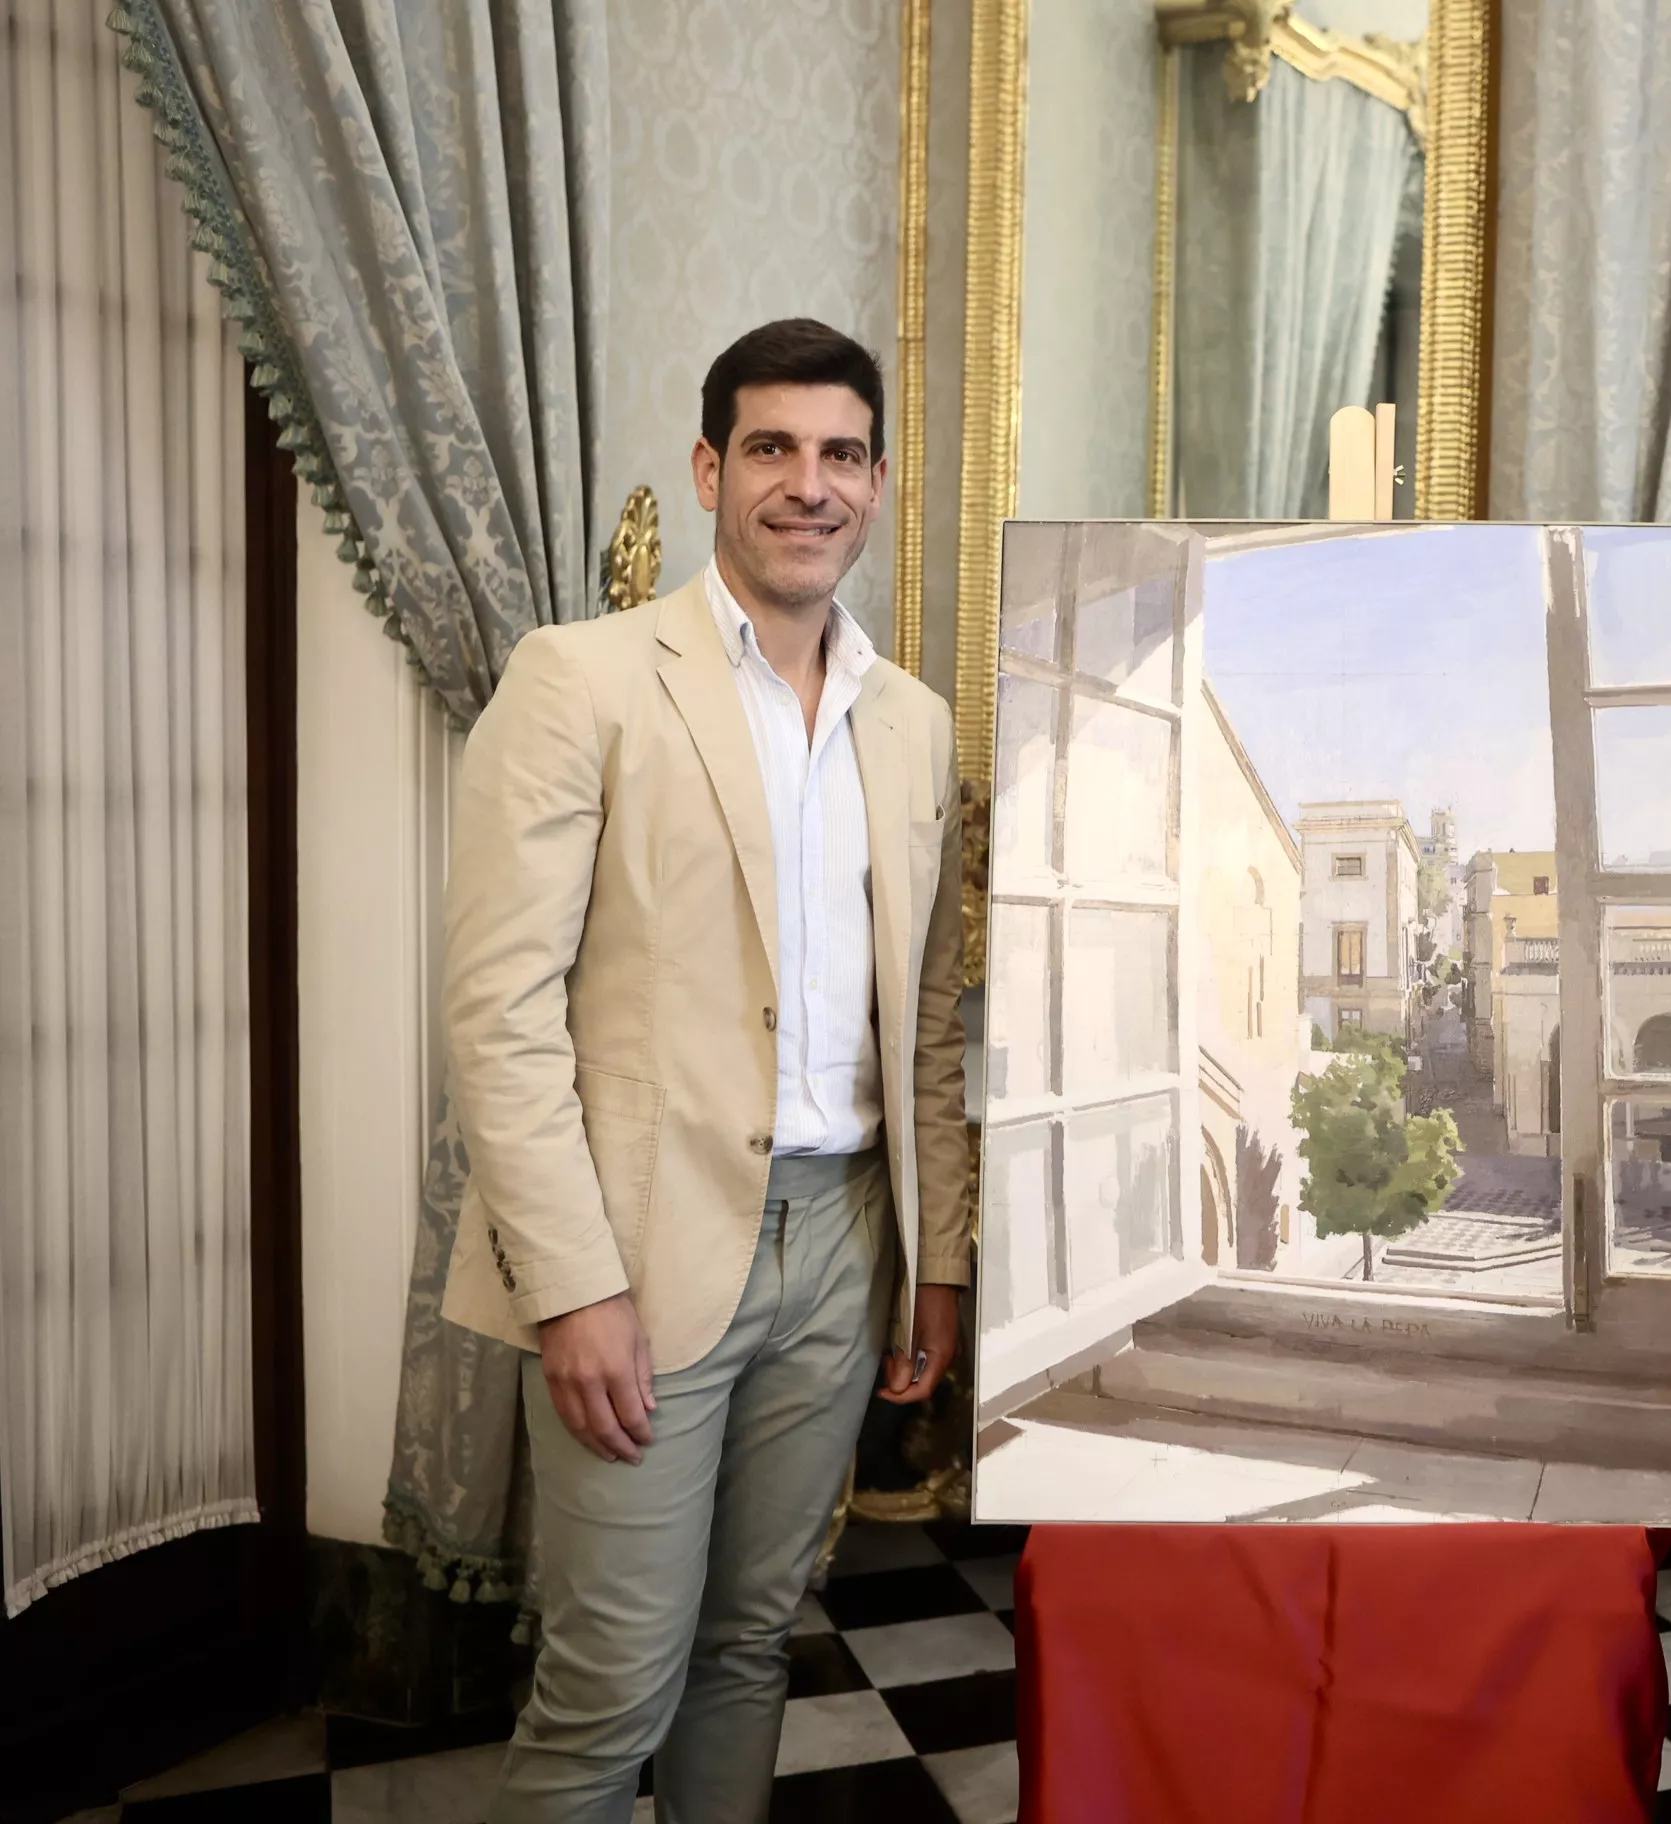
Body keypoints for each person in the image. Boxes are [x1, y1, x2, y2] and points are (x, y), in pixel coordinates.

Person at [441, 318, 970, 1822]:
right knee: (609, 1684)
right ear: (709, 470)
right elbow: (499, 1010)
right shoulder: (583, 681)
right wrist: (572, 1285)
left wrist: (936, 1264)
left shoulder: (914, 727)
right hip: (640, 1254)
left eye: (842, 453)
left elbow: (925, 1024)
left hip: (843, 1240)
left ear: (876, 482)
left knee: (749, 1647)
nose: (810, 485)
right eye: (773, 449)